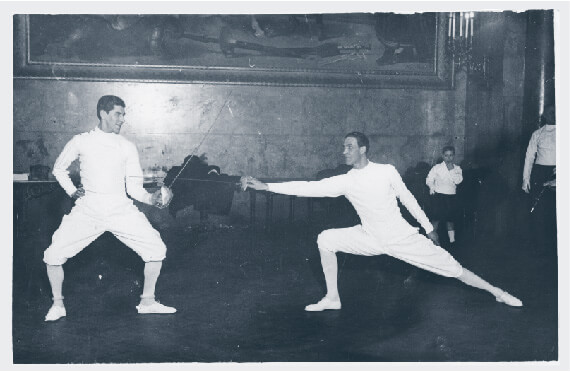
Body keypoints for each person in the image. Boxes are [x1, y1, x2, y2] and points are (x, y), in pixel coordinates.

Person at [242, 132, 522, 311]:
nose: (344, 151)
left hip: (402, 238)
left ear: (363, 149)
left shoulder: (387, 171)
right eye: (343, 147)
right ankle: (332, 298)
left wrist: (427, 228)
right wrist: (266, 187)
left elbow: (409, 199)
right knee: (325, 238)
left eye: (349, 147)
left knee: (452, 269)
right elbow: (308, 187)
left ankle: (497, 292)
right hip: (370, 237)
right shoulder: (345, 180)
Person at [43, 95, 176, 322]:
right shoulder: (81, 141)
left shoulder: (126, 146)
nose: (122, 119)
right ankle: (58, 305)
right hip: (88, 209)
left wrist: (151, 198)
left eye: (123, 115)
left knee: (156, 248)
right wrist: (72, 191)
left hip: (120, 208)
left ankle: (147, 301)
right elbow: (59, 169)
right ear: (103, 113)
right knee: (53, 255)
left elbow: (134, 188)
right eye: (118, 114)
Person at [522, 105, 556, 250]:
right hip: (540, 173)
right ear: (545, 116)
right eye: (550, 113)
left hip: (557, 172)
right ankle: (540, 246)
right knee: (539, 211)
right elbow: (529, 157)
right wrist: (526, 179)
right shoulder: (537, 133)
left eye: (555, 112)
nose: (553, 115)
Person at [425, 146, 463, 246]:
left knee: (450, 222)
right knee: (435, 220)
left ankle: (452, 242)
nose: (448, 158)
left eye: (451, 155)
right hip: (439, 197)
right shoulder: (436, 168)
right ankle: (432, 242)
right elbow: (429, 179)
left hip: (451, 197)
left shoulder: (457, 169)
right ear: (442, 156)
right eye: (446, 156)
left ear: (454, 156)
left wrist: (451, 170)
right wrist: (432, 187)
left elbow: (458, 181)